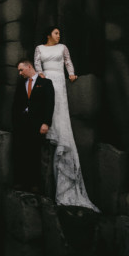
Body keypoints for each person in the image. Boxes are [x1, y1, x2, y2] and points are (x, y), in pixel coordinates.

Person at [35, 27, 99, 211]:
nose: (58, 36)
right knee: (48, 106)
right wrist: (41, 76)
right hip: (47, 79)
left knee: (60, 109)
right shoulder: (40, 48)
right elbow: (38, 65)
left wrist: (71, 74)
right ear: (48, 34)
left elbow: (68, 62)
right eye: (55, 33)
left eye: (59, 33)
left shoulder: (63, 47)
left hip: (59, 79)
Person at [11, 58, 55, 193]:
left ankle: (35, 184)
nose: (20, 73)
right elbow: (15, 105)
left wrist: (46, 123)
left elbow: (49, 104)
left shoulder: (45, 83)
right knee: (20, 153)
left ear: (29, 67)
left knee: (35, 153)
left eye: (21, 70)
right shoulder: (21, 84)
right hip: (22, 125)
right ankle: (21, 182)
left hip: (37, 125)